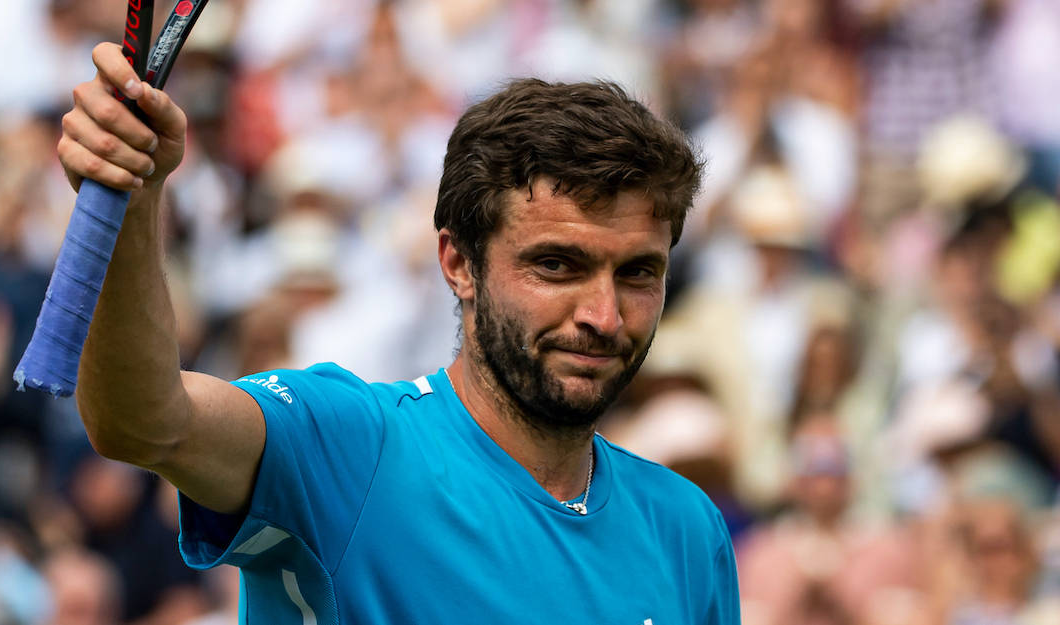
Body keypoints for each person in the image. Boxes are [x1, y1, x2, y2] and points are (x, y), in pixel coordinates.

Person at [57, 42, 740, 624]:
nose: (605, 314)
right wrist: (133, 197)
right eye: (557, 264)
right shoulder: (351, 445)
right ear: (458, 263)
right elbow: (141, 421)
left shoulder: (686, 526)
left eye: (638, 272)